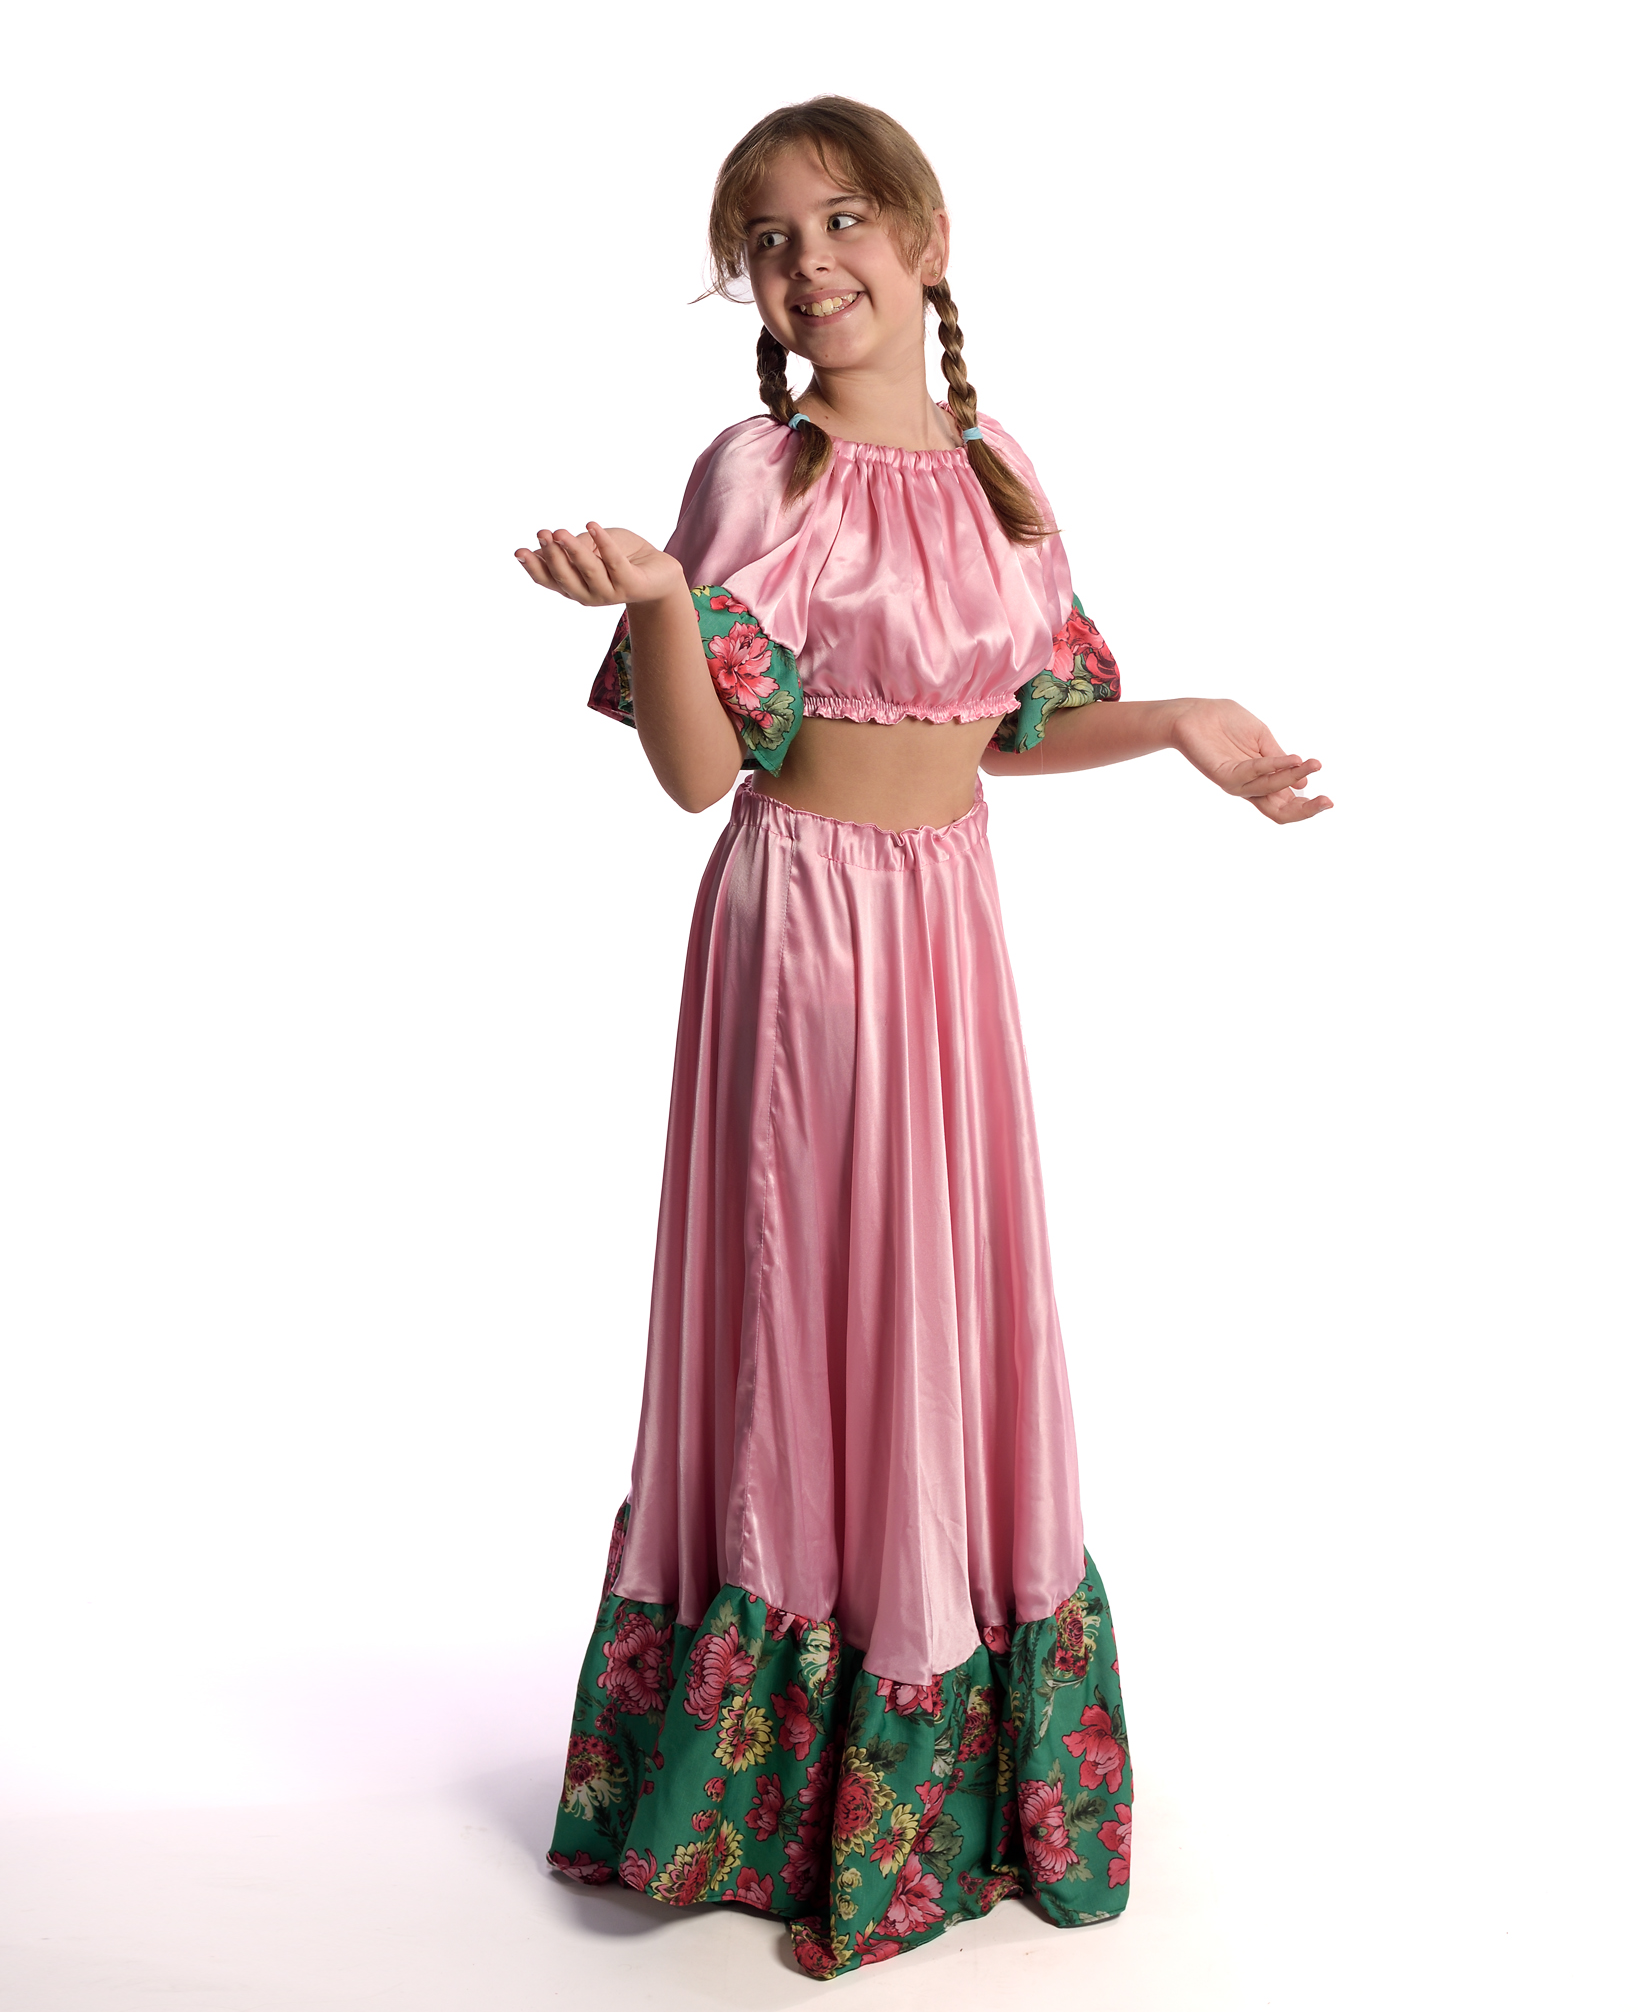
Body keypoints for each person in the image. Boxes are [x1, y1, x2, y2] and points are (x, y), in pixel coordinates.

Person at [514, 96, 1330, 1982]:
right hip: (803, 931)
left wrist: (1179, 722)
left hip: (950, 930)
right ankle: (783, 1787)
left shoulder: (999, 469)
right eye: (769, 240)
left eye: (841, 219)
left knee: (946, 1318)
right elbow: (699, 771)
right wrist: (663, 602)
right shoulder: (758, 473)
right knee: (811, 1317)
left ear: (927, 237)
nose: (809, 263)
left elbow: (1009, 726)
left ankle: (935, 1728)